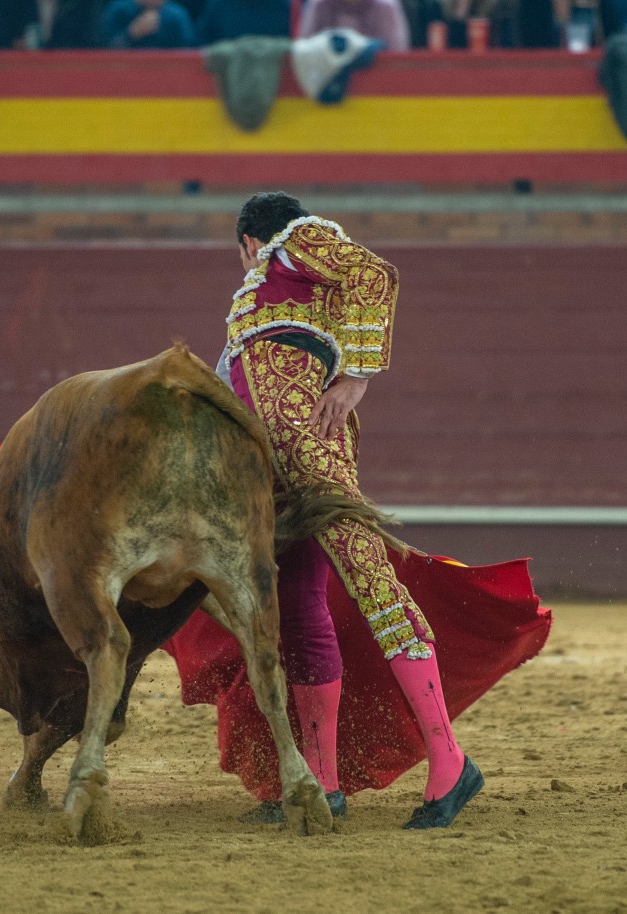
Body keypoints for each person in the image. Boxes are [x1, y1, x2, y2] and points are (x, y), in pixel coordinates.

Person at [176, 192, 492, 830]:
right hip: (273, 473)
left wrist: (358, 373)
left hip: (313, 454)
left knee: (374, 585)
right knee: (296, 610)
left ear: (247, 243)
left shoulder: (294, 241)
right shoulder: (252, 315)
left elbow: (374, 274)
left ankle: (452, 763)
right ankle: (321, 785)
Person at [298, 0, 411, 50]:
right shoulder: (319, 5)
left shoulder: (385, 6)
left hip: (377, 88)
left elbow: (397, 55)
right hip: (324, 86)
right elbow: (303, 50)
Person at [99, 0, 197, 48]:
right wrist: (131, 33)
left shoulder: (176, 15)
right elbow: (103, 50)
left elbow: (188, 51)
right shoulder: (119, 10)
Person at [195, 0, 290, 45]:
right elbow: (198, 47)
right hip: (224, 77)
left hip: (279, 78)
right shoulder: (219, 5)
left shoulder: (286, 8)